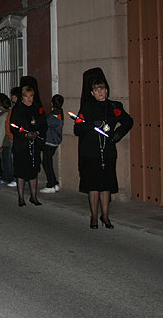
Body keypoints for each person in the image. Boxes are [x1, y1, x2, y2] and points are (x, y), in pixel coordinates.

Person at [74, 68, 133, 229]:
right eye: (96, 90)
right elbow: (77, 129)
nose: (100, 92)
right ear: (92, 93)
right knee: (93, 186)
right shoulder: (86, 108)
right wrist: (90, 125)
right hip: (90, 152)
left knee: (106, 185)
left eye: (102, 89)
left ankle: (105, 216)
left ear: (106, 90)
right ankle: (94, 216)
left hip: (108, 151)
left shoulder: (114, 106)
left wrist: (118, 134)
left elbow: (128, 121)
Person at [10, 77, 47, 206]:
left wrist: (37, 132)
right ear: (22, 97)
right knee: (21, 172)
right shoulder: (18, 109)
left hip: (34, 144)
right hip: (22, 145)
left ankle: (34, 196)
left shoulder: (37, 108)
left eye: (31, 96)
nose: (29, 99)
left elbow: (43, 124)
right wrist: (25, 134)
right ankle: (20, 197)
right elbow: (13, 126)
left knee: (33, 171)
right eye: (27, 96)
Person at [40, 94, 64, 194]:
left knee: (46, 163)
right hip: (54, 141)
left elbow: (45, 123)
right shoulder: (59, 113)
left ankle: (51, 184)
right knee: (47, 162)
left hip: (50, 141)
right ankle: (54, 183)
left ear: (52, 103)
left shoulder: (54, 115)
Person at [0, 93, 14, 185]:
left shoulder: (3, 116)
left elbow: (1, 132)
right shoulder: (10, 113)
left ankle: (7, 177)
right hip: (9, 140)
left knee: (6, 161)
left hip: (5, 141)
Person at [6, 86, 21, 188]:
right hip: (12, 137)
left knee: (16, 160)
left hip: (15, 138)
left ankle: (17, 179)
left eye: (12, 95)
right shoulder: (14, 108)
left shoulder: (17, 109)